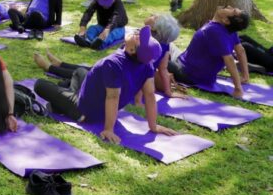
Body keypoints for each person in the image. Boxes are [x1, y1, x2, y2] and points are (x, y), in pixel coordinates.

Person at [33, 26, 179, 144]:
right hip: (93, 99)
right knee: (79, 71)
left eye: (139, 38)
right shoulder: (146, 65)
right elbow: (149, 95)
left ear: (133, 50)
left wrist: (108, 129)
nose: (137, 33)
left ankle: (61, 96)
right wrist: (152, 126)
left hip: (85, 110)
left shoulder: (114, 64)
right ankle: (63, 87)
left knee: (39, 85)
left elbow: (113, 97)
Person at [168, 6, 250, 98]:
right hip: (186, 63)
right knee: (168, 43)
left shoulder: (214, 30)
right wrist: (245, 76)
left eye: (232, 10)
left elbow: (229, 59)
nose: (229, 6)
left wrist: (238, 88)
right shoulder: (229, 30)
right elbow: (241, 51)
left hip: (188, 74)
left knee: (159, 55)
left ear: (226, 20)